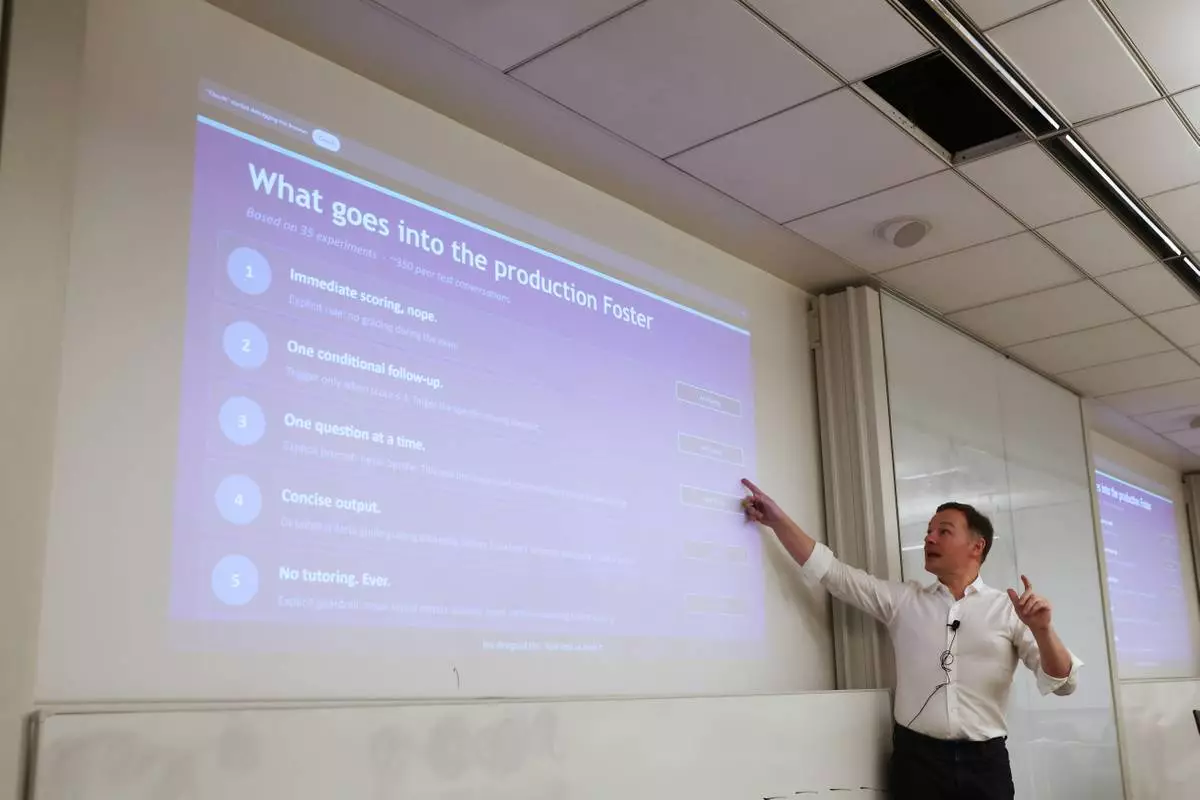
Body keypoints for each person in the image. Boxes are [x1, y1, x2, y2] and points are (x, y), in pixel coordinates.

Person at [740, 479, 1080, 800]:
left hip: (985, 766)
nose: (930, 539)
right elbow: (834, 574)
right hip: (917, 762)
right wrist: (778, 521)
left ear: (977, 546)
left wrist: (1042, 630)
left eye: (943, 531)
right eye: (928, 531)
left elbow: (1064, 683)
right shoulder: (905, 601)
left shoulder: (1009, 609)